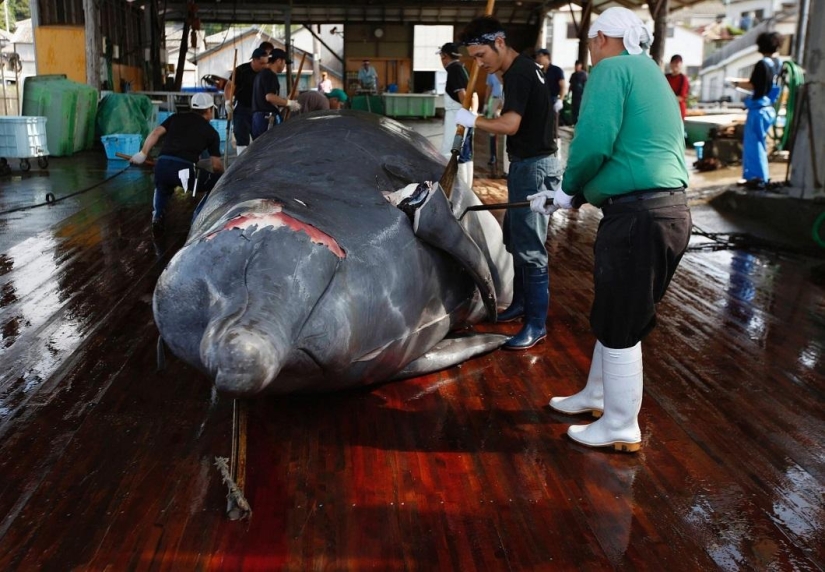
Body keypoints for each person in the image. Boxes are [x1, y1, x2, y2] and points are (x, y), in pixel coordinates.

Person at [529, 7, 691, 453]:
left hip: (637, 216)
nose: (590, 50)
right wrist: (574, 197)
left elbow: (594, 140)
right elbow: (629, 151)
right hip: (666, 211)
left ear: (601, 38)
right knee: (618, 310)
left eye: (590, 42)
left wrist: (566, 189)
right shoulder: (649, 71)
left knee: (621, 319)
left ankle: (620, 424)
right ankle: (597, 395)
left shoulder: (611, 69)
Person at [455, 16, 561, 351]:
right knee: (515, 236)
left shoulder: (519, 74)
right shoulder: (521, 68)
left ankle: (536, 324)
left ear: (499, 42)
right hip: (525, 164)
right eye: (474, 58)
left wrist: (473, 120)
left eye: (481, 55)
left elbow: (510, 124)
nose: (479, 63)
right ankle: (520, 304)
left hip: (535, 167)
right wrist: (494, 72)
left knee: (530, 246)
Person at [130, 92, 225, 233]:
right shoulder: (211, 132)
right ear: (209, 110)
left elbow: (156, 133)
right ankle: (198, 217)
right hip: (184, 170)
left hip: (162, 165)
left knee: (162, 187)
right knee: (217, 183)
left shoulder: (175, 117)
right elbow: (216, 165)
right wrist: (224, 177)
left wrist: (142, 153)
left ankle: (157, 216)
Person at [730, 32, 783, 189]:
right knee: (761, 143)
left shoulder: (762, 64)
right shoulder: (777, 63)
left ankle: (757, 177)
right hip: (769, 108)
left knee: (754, 145)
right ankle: (760, 176)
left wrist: (736, 83)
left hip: (758, 110)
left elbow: (753, 85)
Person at [438, 42, 475, 188]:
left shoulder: (454, 69)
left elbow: (463, 95)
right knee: (465, 155)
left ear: (445, 56)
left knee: (452, 153)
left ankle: (458, 189)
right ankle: (467, 188)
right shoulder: (461, 68)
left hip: (458, 117)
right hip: (465, 116)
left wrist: (465, 116)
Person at [223, 47, 269, 156]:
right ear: (254, 60)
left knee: (261, 138)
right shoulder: (241, 70)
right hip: (242, 108)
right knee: (242, 138)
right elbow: (229, 86)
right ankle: (242, 162)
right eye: (261, 63)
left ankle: (260, 162)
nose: (264, 66)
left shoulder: (266, 73)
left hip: (259, 109)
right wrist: (228, 101)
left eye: (265, 63)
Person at [251, 48, 301, 139]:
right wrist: (289, 103)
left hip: (257, 118)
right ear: (279, 61)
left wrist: (287, 100)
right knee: (271, 145)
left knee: (261, 146)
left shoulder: (261, 75)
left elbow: (269, 100)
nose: (284, 66)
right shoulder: (270, 75)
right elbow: (269, 97)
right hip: (267, 118)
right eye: (284, 62)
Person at [534, 48, 565, 114]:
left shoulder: (557, 70)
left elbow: (563, 86)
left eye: (540, 56)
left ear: (547, 56)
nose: (538, 59)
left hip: (553, 100)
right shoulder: (539, 71)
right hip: (541, 100)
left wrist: (560, 100)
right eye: (537, 56)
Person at [484, 71, 503, 165]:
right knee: (492, 130)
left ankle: (504, 156)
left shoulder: (506, 70)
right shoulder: (491, 72)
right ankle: (493, 156)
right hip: (494, 99)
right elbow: (489, 87)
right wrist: (486, 104)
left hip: (506, 99)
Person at [665, 54, 690, 122]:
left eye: (677, 63)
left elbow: (681, 97)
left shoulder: (683, 79)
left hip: (678, 111)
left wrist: (667, 99)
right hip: (667, 110)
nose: (675, 65)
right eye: (673, 62)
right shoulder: (666, 77)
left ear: (681, 64)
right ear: (670, 64)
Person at [569, 60, 588, 125]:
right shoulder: (573, 75)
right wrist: (568, 93)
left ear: (581, 66)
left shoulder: (584, 74)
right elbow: (571, 85)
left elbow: (586, 84)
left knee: (580, 109)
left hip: (581, 95)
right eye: (576, 65)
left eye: (578, 65)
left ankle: (580, 123)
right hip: (574, 95)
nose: (577, 67)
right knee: (574, 109)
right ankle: (574, 123)